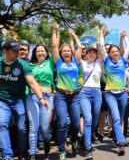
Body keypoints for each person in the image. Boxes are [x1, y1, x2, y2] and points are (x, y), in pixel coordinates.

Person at [0, 39, 48, 159]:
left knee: (21, 128)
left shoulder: (23, 65)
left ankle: (22, 153)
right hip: (2, 101)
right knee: (2, 124)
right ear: (5, 51)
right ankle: (7, 155)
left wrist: (41, 98)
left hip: (19, 101)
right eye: (14, 51)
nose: (17, 53)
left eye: (18, 50)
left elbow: (32, 83)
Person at [51, 24, 82, 159]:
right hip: (60, 96)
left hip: (75, 96)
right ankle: (62, 149)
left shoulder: (76, 61)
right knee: (62, 123)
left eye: (68, 50)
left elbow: (80, 47)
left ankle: (74, 140)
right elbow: (54, 46)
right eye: (64, 51)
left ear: (71, 52)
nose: (66, 52)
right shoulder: (58, 62)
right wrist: (55, 31)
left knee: (75, 124)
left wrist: (73, 36)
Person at [99, 26, 129, 155]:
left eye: (117, 51)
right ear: (110, 54)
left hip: (122, 94)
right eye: (113, 52)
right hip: (110, 94)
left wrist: (123, 37)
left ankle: (116, 135)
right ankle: (121, 144)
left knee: (120, 118)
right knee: (116, 117)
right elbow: (101, 46)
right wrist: (102, 33)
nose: (116, 53)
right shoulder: (107, 62)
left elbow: (128, 48)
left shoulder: (123, 60)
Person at [74, 31, 103, 159]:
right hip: (85, 92)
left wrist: (101, 34)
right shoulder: (83, 63)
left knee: (94, 121)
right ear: (87, 54)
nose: (91, 54)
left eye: (94, 52)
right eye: (89, 52)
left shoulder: (99, 63)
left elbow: (101, 47)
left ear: (96, 55)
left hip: (97, 93)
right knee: (88, 119)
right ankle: (88, 147)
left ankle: (85, 139)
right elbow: (77, 55)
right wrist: (76, 39)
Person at [26, 44, 55, 159]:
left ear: (47, 53)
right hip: (32, 97)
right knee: (34, 126)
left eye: (42, 51)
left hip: (47, 97)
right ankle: (32, 153)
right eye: (38, 51)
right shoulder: (30, 66)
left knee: (45, 128)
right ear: (34, 53)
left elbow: (55, 46)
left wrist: (55, 31)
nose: (40, 53)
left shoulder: (50, 63)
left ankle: (47, 144)